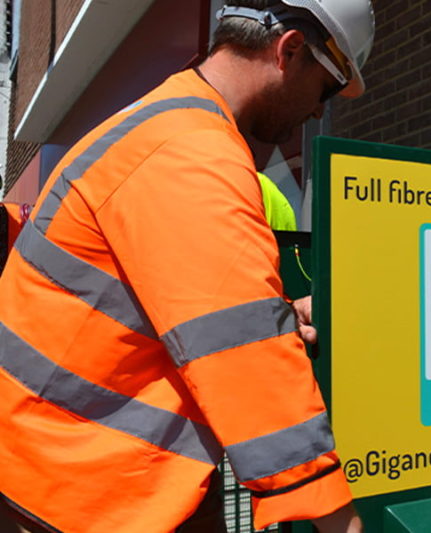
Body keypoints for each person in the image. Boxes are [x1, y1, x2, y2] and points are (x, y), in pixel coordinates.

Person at [0, 1, 374, 532]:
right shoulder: (194, 154)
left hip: (52, 464)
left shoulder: (162, 120)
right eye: (328, 88)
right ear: (290, 50)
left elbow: (159, 309)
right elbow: (249, 363)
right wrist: (335, 515)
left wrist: (276, 316)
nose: (318, 112)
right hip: (78, 490)